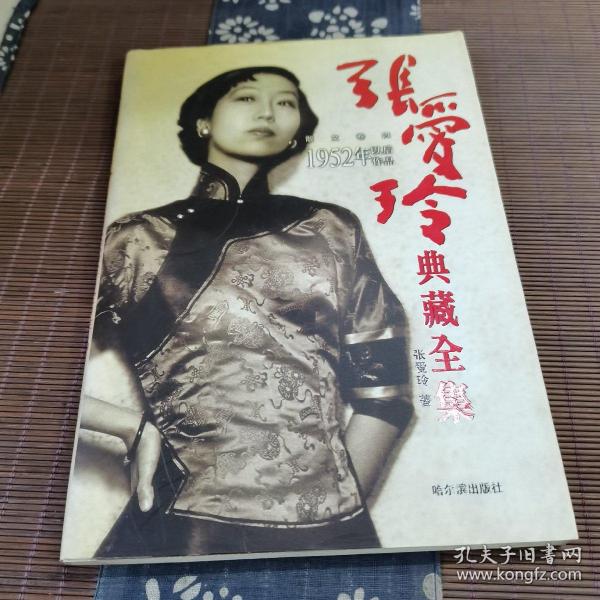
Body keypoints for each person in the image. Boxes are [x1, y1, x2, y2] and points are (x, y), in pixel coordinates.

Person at [81, 66, 414, 558]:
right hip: (186, 525)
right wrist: (132, 429)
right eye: (246, 98)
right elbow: (33, 366)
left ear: (297, 129)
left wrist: (339, 516)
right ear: (203, 123)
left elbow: (384, 394)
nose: (267, 112)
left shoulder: (331, 229)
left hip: (332, 530)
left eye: (285, 102)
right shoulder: (139, 238)